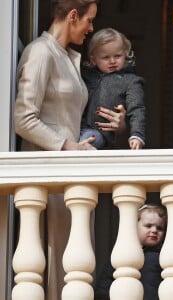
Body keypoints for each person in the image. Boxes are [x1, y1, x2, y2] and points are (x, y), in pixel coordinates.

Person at [13, 0, 126, 298]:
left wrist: (118, 125)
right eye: (89, 21)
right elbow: (23, 119)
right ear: (73, 16)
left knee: (74, 266)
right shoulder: (40, 52)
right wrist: (65, 146)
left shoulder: (68, 57)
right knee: (55, 264)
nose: (91, 28)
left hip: (72, 176)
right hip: (48, 174)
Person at [80, 27, 146, 150]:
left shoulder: (131, 81)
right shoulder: (84, 76)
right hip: (73, 128)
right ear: (93, 59)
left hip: (100, 134)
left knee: (88, 140)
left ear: (126, 53)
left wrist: (137, 135)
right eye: (105, 57)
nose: (112, 61)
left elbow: (137, 109)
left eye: (117, 56)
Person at [94, 204, 167, 300]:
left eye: (159, 228)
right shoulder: (121, 255)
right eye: (148, 226)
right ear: (134, 227)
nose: (154, 230)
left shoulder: (163, 257)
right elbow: (103, 287)